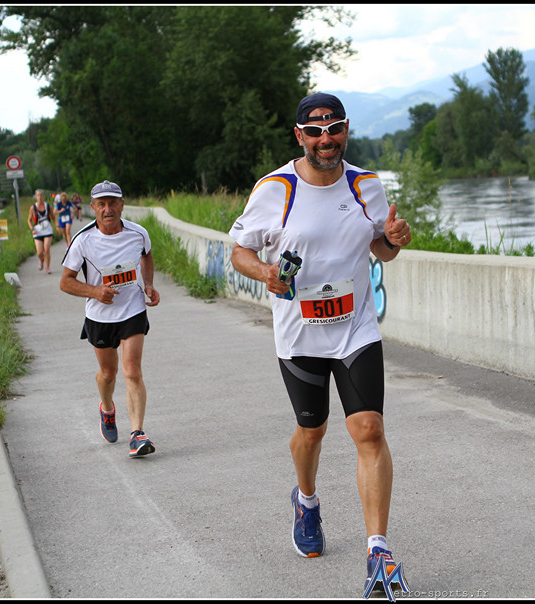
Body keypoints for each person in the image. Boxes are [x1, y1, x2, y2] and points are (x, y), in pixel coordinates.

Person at [229, 92, 413, 594]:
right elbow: (239, 251)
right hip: (300, 335)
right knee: (312, 432)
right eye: (315, 132)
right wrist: (265, 272)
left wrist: (393, 239)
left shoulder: (367, 185)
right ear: (300, 137)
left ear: (346, 130)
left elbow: (380, 249)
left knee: (369, 430)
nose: (325, 139)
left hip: (355, 328)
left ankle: (378, 551)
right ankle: (306, 500)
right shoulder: (275, 189)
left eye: (334, 129)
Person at [60, 179, 161, 458]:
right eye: (101, 204)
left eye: (113, 203)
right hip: (100, 316)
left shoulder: (138, 233)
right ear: (93, 207)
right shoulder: (82, 240)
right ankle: (107, 408)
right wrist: (94, 291)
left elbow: (147, 256)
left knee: (132, 371)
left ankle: (137, 433)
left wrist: (148, 285)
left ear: (122, 205)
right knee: (108, 374)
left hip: (132, 309)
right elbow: (65, 282)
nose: (108, 209)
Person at [29, 189, 55, 273]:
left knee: (46, 249)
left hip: (47, 230)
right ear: (36, 197)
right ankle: (41, 259)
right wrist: (32, 229)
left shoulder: (48, 206)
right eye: (38, 195)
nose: (39, 197)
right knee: (39, 252)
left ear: (43, 196)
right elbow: (29, 220)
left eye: (41, 195)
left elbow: (53, 217)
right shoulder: (33, 207)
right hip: (37, 231)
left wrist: (57, 226)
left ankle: (47, 267)